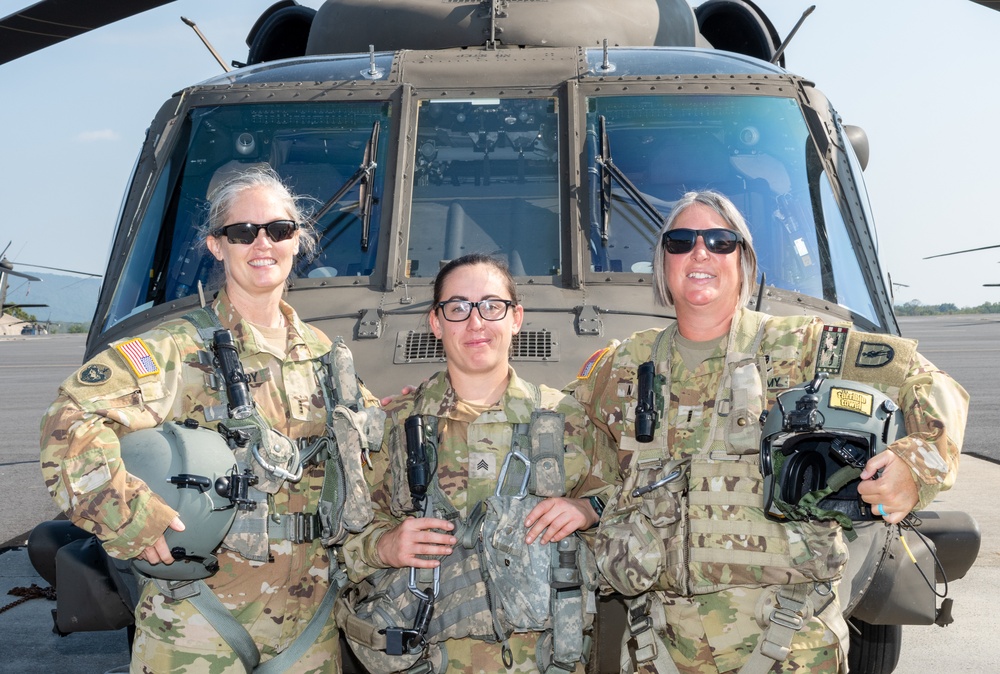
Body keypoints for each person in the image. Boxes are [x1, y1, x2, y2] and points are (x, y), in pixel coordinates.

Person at [569, 190, 969, 674]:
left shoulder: (802, 347)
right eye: (680, 241)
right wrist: (586, 504)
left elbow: (929, 381)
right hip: (660, 651)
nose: (700, 253)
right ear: (663, 264)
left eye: (720, 241)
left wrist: (916, 464)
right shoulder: (623, 368)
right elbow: (563, 437)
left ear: (744, 262)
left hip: (792, 649)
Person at [38, 166, 382, 673]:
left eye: (279, 230)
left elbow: (381, 458)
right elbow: (68, 421)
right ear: (217, 245)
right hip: (197, 624)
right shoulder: (176, 348)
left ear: (298, 240)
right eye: (243, 232)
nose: (262, 243)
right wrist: (130, 517)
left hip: (309, 629)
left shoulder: (326, 358)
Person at [340, 253, 617, 674]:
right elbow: (345, 536)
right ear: (436, 322)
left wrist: (587, 510)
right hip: (428, 661)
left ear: (516, 317)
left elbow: (621, 508)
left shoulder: (567, 420)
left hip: (545, 662)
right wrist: (384, 546)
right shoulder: (395, 427)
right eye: (457, 308)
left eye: (492, 306)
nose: (475, 323)